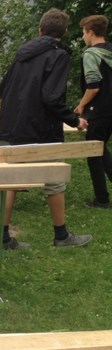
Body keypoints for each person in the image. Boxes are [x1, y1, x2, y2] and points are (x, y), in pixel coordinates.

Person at [0, 8, 92, 249]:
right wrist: (74, 120)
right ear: (64, 32)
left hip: (17, 126)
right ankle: (61, 236)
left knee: (12, 180)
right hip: (42, 128)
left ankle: (3, 237)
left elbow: (3, 88)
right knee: (54, 178)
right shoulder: (58, 55)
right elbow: (52, 97)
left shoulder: (22, 54)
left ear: (40, 30)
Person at [75, 14, 112, 209]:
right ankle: (102, 198)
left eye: (83, 32)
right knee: (100, 147)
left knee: (94, 151)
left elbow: (93, 86)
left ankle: (102, 199)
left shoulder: (91, 54)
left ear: (90, 32)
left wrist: (81, 105)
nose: (83, 37)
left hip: (99, 110)